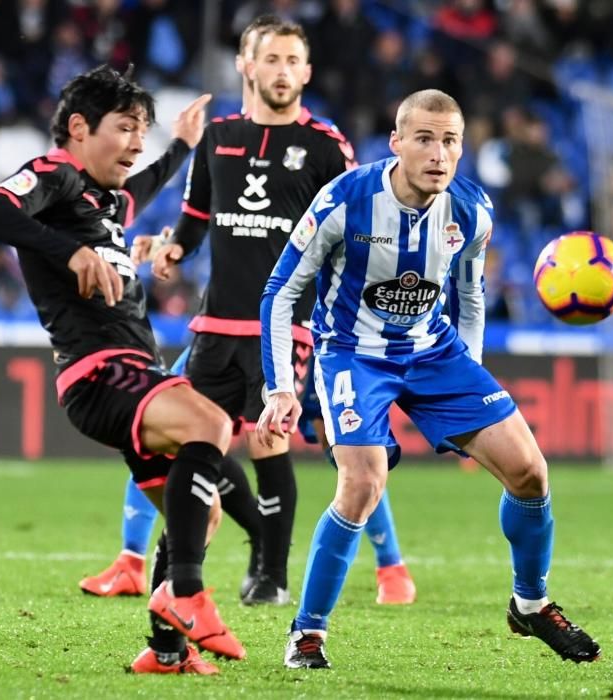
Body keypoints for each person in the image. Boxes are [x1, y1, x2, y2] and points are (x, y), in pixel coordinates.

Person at [257, 88, 601, 669]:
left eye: (449, 142)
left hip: (434, 351)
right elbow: (281, 291)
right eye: (424, 139)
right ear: (395, 143)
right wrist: (281, 386)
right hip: (352, 353)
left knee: (530, 473)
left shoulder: (471, 211)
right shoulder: (345, 200)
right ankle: (307, 632)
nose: (438, 154)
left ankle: (531, 603)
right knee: (363, 485)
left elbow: (470, 294)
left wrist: (468, 380)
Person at [80, 14, 416, 608]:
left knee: (289, 443)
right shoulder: (218, 138)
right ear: (245, 64)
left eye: (293, 61)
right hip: (216, 320)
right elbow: (197, 219)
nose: (283, 72)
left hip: (292, 327)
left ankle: (285, 572)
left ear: (307, 72)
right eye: (272, 59)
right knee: (168, 437)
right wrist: (172, 248)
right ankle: (152, 565)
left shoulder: (325, 146)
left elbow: (356, 233)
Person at [0, 64, 242, 676]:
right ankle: (187, 595)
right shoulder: (55, 175)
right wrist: (69, 250)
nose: (136, 142)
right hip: (100, 372)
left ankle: (166, 652)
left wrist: (182, 145)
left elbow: (147, 184)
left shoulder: (107, 199)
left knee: (199, 511)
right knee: (211, 424)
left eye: (142, 130)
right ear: (78, 127)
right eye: (125, 127)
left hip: (126, 372)